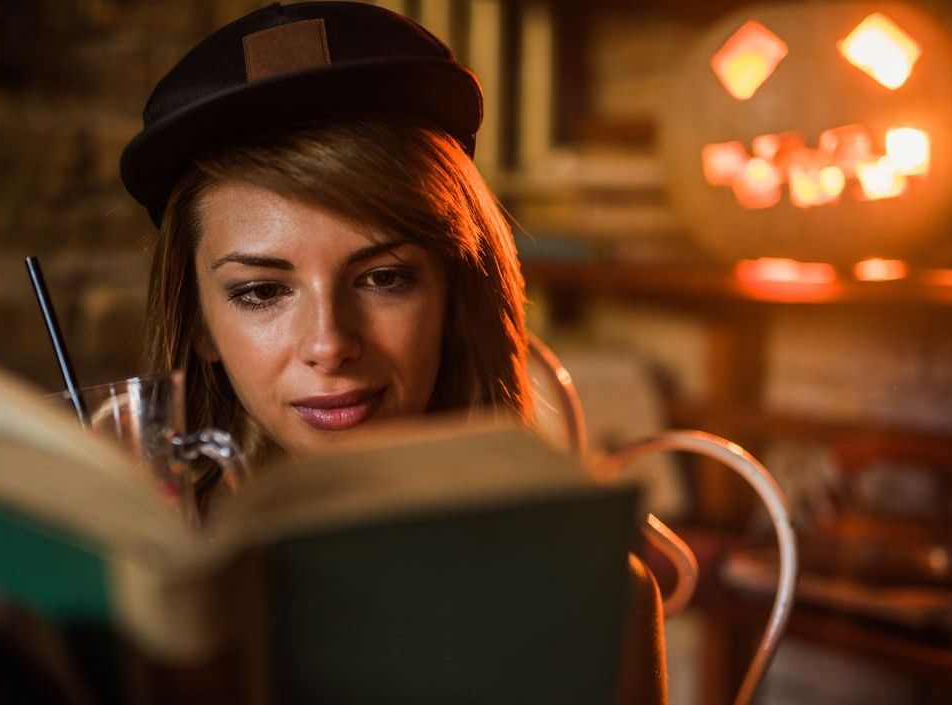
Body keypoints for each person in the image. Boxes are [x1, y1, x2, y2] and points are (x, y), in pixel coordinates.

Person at [119, 3, 667, 704]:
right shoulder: (138, 587)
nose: (330, 344)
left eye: (384, 277)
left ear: (453, 293)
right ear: (198, 323)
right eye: (261, 290)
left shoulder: (590, 591)